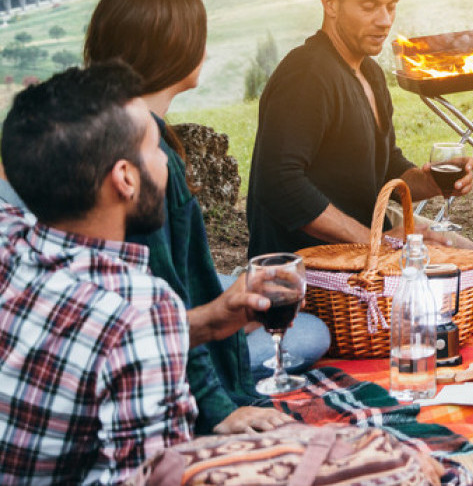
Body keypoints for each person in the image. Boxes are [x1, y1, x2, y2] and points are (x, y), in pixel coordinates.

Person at [0, 64, 271, 484]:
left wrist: (208, 321)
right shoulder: (141, 310)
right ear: (125, 177)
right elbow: (152, 477)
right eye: (155, 148)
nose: (166, 161)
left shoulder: (9, 238)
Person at [84, 0, 315, 427]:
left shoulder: (111, 127)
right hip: (169, 349)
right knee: (311, 333)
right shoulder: (148, 159)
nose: (205, 52)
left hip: (158, 327)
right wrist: (220, 409)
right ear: (173, 47)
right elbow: (162, 298)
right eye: (200, 38)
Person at [245, 0, 473, 259]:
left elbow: (385, 168)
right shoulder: (307, 74)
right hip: (310, 261)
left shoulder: (370, 72)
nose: (384, 20)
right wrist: (375, 242)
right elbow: (280, 185)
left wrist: (431, 181)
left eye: (391, 5)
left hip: (365, 239)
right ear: (331, 3)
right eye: (369, 7)